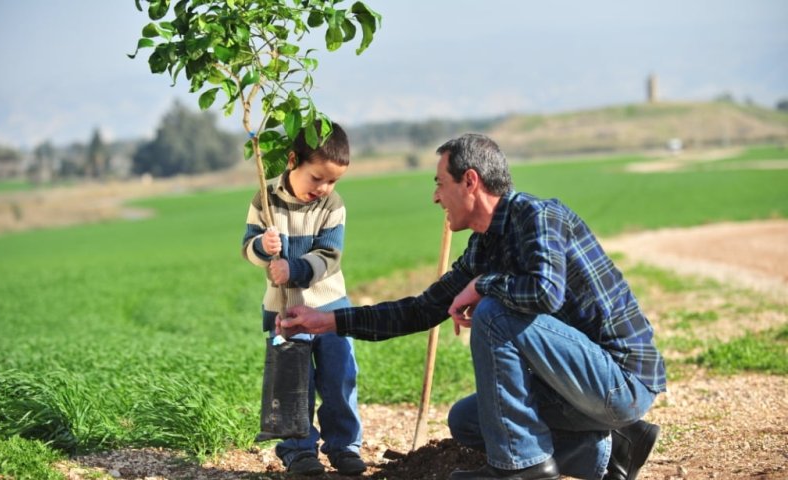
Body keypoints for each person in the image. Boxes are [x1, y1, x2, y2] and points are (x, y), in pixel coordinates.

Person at [277, 133, 666, 480]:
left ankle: (521, 467)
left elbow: (546, 292)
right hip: (580, 388)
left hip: (620, 380)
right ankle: (614, 447)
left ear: (470, 181)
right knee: (467, 421)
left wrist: (483, 286)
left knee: (494, 314)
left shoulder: (536, 216)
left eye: (439, 184)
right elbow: (420, 310)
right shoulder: (483, 245)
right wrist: (326, 321)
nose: (435, 197)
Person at [241, 121, 366, 476]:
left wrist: (293, 269)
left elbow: (329, 255)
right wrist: (262, 250)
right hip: (283, 309)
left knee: (340, 378)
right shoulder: (264, 199)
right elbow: (247, 247)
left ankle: (344, 446)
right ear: (293, 160)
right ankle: (298, 451)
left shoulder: (332, 206)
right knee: (292, 383)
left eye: (333, 181)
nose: (324, 188)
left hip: (329, 308)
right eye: (317, 178)